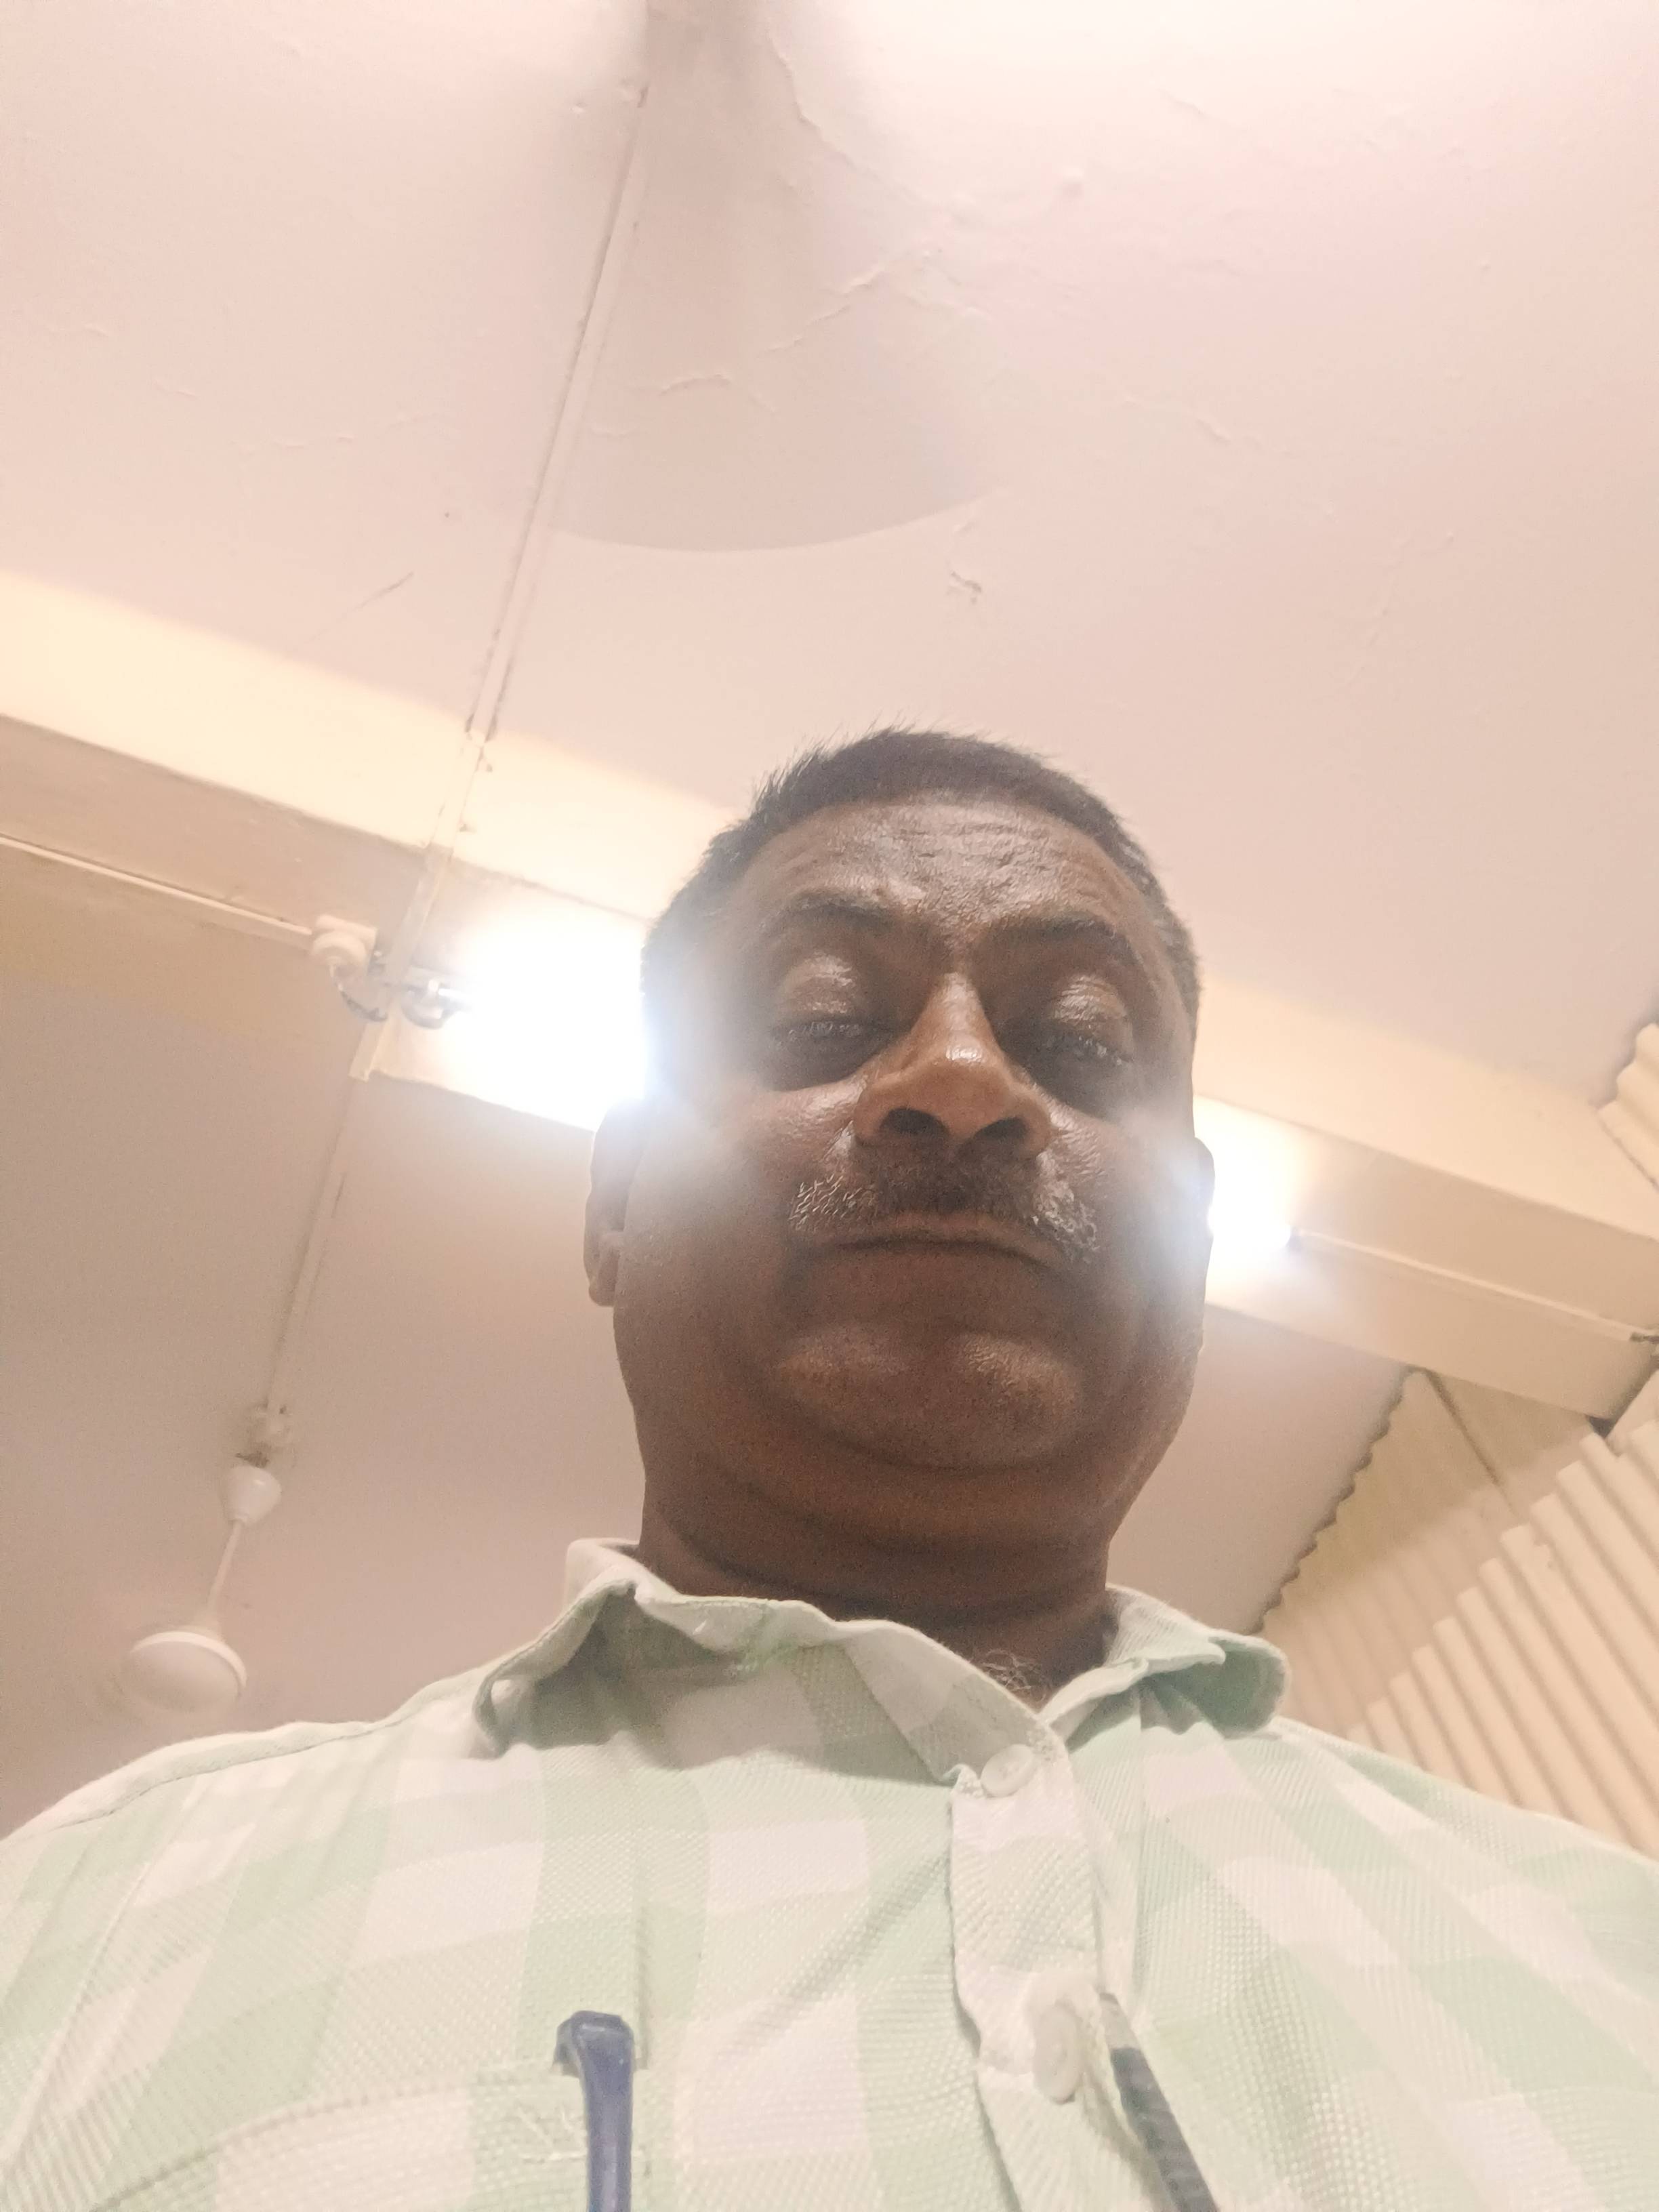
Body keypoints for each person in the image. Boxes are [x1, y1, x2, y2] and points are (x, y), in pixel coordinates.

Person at [1, 730, 1654, 2212]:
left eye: (1082, 1047)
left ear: (1198, 1232)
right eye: (824, 1022)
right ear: (616, 1199)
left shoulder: (1605, 1946)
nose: (963, 1080)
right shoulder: (96, 1914)